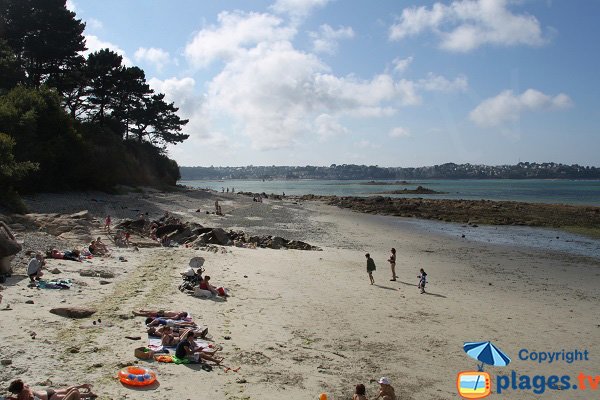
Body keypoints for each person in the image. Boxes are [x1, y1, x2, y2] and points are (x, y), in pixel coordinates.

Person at [7, 379, 97, 399]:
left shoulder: (23, 393)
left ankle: (86, 395)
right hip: (47, 392)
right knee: (67, 391)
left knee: (69, 394)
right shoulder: (26, 387)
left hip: (49, 398)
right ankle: (83, 387)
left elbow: (29, 397)